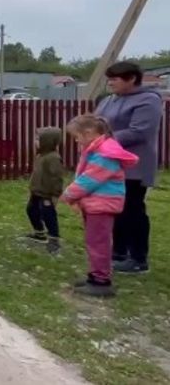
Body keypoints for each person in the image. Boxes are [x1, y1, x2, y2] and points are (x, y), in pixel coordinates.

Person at [60, 114, 139, 298]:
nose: (77, 141)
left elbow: (90, 179)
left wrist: (70, 193)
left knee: (98, 243)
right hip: (96, 203)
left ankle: (101, 281)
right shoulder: (99, 149)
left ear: (88, 133)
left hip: (102, 204)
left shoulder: (105, 153)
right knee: (94, 241)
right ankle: (95, 276)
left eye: (77, 137)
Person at [95, 61, 162, 274]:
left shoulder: (148, 100)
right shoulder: (109, 100)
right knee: (114, 209)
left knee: (132, 210)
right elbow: (96, 122)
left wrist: (103, 139)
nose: (110, 83)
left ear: (131, 79)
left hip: (133, 165)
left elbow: (139, 131)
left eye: (114, 79)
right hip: (108, 163)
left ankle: (138, 258)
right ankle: (119, 251)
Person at [24, 127, 65, 255]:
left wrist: (55, 195)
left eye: (38, 139)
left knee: (48, 215)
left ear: (47, 141)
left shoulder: (53, 158)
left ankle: (54, 239)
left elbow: (57, 177)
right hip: (36, 192)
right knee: (31, 210)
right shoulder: (40, 156)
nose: (35, 141)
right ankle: (39, 233)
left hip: (47, 194)